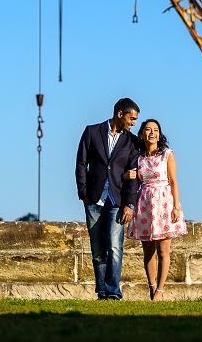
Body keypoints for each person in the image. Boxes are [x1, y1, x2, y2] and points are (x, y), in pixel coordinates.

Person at [75, 98, 141, 300]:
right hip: (94, 199)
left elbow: (133, 176)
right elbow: (81, 164)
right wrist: (84, 194)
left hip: (117, 200)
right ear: (120, 114)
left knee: (114, 245)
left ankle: (113, 291)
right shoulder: (91, 132)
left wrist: (129, 204)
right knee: (97, 250)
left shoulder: (132, 141)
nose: (134, 123)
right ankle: (102, 290)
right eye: (132, 118)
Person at [126, 118, 187, 301]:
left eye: (155, 129)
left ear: (159, 134)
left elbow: (174, 182)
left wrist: (176, 207)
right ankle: (152, 286)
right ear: (142, 133)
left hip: (164, 203)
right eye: (148, 129)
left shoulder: (167, 154)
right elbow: (135, 182)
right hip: (144, 204)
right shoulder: (138, 157)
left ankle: (160, 290)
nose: (152, 132)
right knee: (148, 251)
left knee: (163, 251)